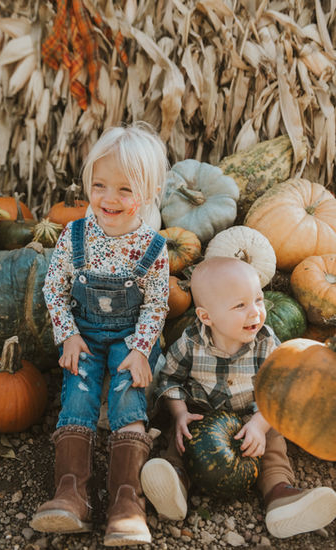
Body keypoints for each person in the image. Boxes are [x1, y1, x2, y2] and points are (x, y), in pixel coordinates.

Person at [30, 122, 170, 547]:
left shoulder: (153, 247)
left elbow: (156, 304)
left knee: (129, 395)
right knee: (78, 392)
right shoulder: (74, 236)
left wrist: (142, 349)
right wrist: (68, 335)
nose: (109, 198)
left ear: (148, 195)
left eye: (125, 190)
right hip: (85, 337)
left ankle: (127, 503)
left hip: (130, 339)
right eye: (100, 185)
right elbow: (53, 289)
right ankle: (71, 493)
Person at [141, 256, 336, 539]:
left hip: (253, 417)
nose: (255, 313)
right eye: (240, 306)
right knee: (181, 438)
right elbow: (170, 379)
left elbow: (281, 392)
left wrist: (260, 422)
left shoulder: (267, 342)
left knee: (273, 443)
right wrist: (180, 413)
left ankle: (280, 494)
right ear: (206, 317)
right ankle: (174, 483)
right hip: (202, 417)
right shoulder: (190, 343)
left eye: (258, 300)